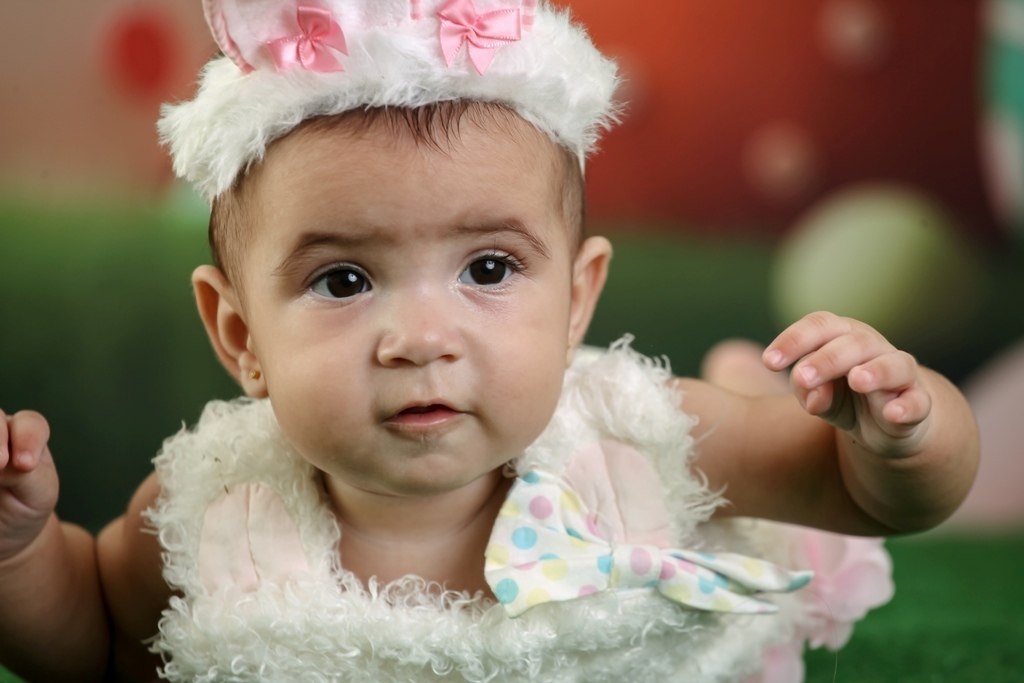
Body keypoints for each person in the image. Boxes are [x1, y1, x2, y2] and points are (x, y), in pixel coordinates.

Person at [0, 1, 979, 681]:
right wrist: (22, 547)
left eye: (489, 268)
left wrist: (901, 436)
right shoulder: (221, 505)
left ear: (576, 299)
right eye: (343, 280)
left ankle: (744, 372)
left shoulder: (638, 437)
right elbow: (94, 640)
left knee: (758, 447)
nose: (422, 339)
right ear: (240, 332)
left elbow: (859, 492)